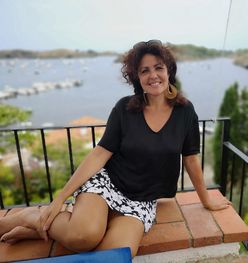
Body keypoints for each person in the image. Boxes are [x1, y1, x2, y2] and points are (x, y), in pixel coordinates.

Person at [0, 40, 230, 258]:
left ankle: (38, 229)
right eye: (144, 70)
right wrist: (61, 198)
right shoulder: (125, 109)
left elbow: (191, 159)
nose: (153, 75)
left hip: (141, 201)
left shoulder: (185, 112)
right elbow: (100, 153)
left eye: (158, 68)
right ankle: (35, 216)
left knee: (112, 257)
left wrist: (206, 200)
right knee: (84, 237)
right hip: (107, 184)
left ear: (169, 70)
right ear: (137, 78)